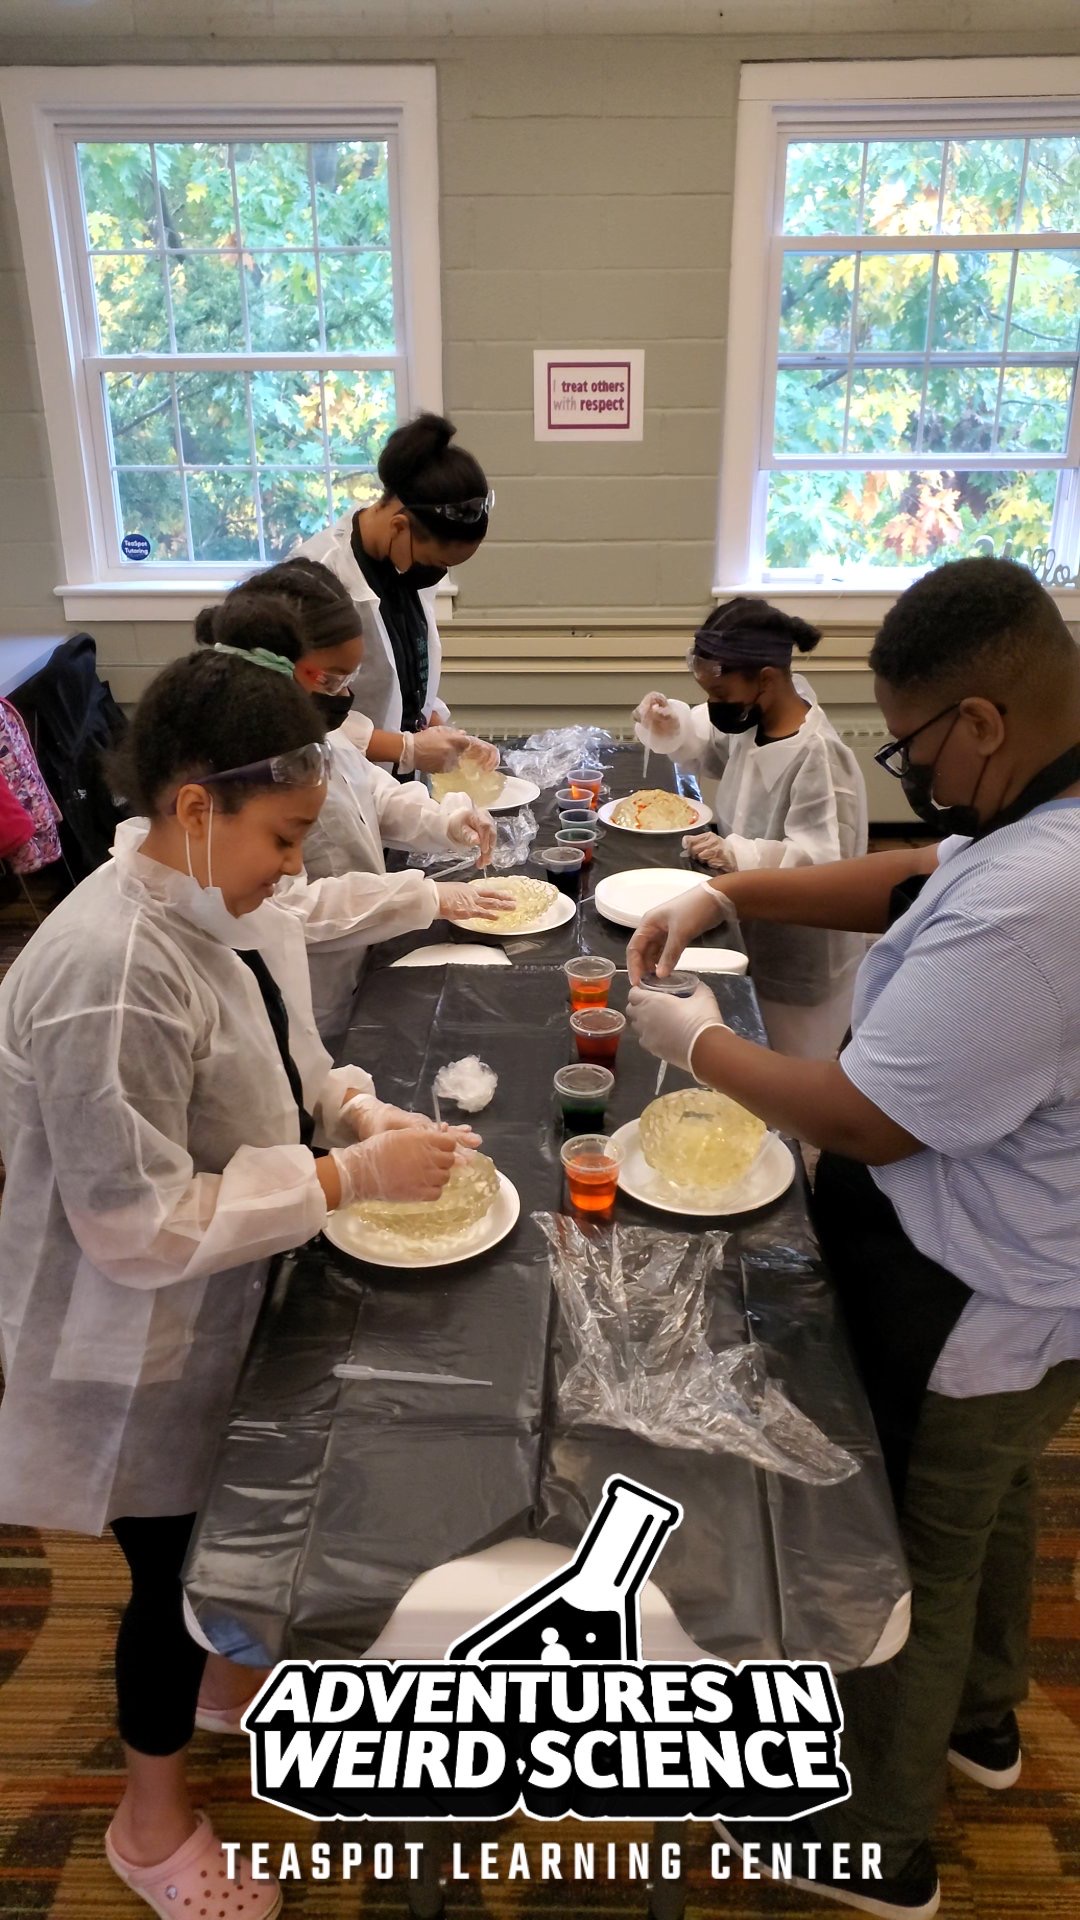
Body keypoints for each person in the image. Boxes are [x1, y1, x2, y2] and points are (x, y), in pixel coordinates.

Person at [625, 557, 1080, 1920]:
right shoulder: (1038, 819)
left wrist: (693, 1040)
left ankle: (872, 1846)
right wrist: (731, 899)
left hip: (979, 1283)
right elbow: (912, 877)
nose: (911, 771)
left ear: (983, 723)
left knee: (907, 1552)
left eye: (916, 743)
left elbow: (871, 1118)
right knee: (987, 1502)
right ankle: (983, 1726)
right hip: (1021, 1278)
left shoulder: (1045, 895)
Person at [0, 648, 477, 1919]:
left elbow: (285, 1050)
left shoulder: (220, 896)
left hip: (222, 1279)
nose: (299, 867)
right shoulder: (107, 971)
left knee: (224, 1527)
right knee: (165, 1572)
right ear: (197, 804)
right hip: (133, 1330)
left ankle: (225, 1678)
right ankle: (148, 1827)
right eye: (285, 834)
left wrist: (355, 1108)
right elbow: (133, 1225)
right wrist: (340, 1184)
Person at [196, 562, 514, 1050]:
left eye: (350, 680)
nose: (344, 697)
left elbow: (370, 792)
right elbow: (286, 907)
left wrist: (446, 820)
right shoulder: (243, 771)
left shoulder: (316, 729)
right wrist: (423, 898)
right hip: (307, 991)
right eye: (330, 682)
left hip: (358, 958)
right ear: (274, 669)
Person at [633, 597, 868, 1057]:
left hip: (802, 958)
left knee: (788, 1073)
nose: (715, 706)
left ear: (766, 679)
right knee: (750, 1043)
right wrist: (671, 723)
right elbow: (711, 747)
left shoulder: (819, 757)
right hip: (751, 920)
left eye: (721, 696)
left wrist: (737, 854)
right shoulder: (752, 719)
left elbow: (823, 866)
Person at [294, 411, 500, 776]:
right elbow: (303, 712)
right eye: (435, 560)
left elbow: (404, 673)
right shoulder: (317, 579)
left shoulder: (404, 564)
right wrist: (405, 749)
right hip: (339, 779)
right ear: (399, 526)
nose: (437, 572)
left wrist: (437, 728)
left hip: (398, 780)